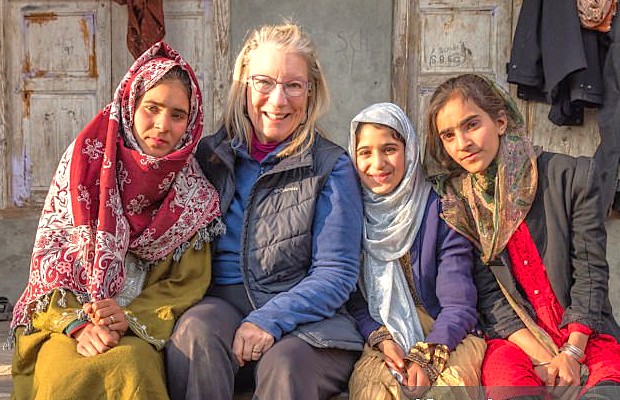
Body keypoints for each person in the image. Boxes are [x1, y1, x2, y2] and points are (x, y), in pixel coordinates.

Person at [9, 41, 223, 400]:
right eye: (151, 108)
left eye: (177, 115)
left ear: (191, 122)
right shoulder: (85, 165)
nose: (162, 126)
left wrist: (126, 318)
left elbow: (187, 282)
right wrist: (78, 324)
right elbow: (49, 262)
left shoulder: (192, 194)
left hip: (141, 327)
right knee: (64, 376)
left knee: (133, 369)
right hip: (65, 321)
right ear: (130, 106)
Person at [165, 22, 364, 400]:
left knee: (284, 365)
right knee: (196, 333)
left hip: (309, 322)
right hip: (223, 306)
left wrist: (268, 320)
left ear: (311, 91)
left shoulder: (330, 166)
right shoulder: (210, 155)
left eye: (293, 85)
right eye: (264, 83)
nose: (278, 100)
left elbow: (336, 274)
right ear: (243, 86)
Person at [425, 73, 620, 400]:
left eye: (472, 125)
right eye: (448, 135)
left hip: (585, 335)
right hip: (517, 341)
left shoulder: (571, 178)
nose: (463, 143)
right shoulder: (460, 204)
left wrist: (571, 353)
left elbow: (590, 274)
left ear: (501, 121)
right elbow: (490, 296)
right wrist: (546, 359)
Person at [345, 102, 486, 400]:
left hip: (450, 335)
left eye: (389, 149)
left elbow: (458, 304)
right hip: (384, 336)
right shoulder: (351, 215)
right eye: (365, 152)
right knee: (373, 390)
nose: (378, 164)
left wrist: (427, 356)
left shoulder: (441, 210)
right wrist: (381, 339)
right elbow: (353, 298)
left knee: (448, 391)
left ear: (409, 151)